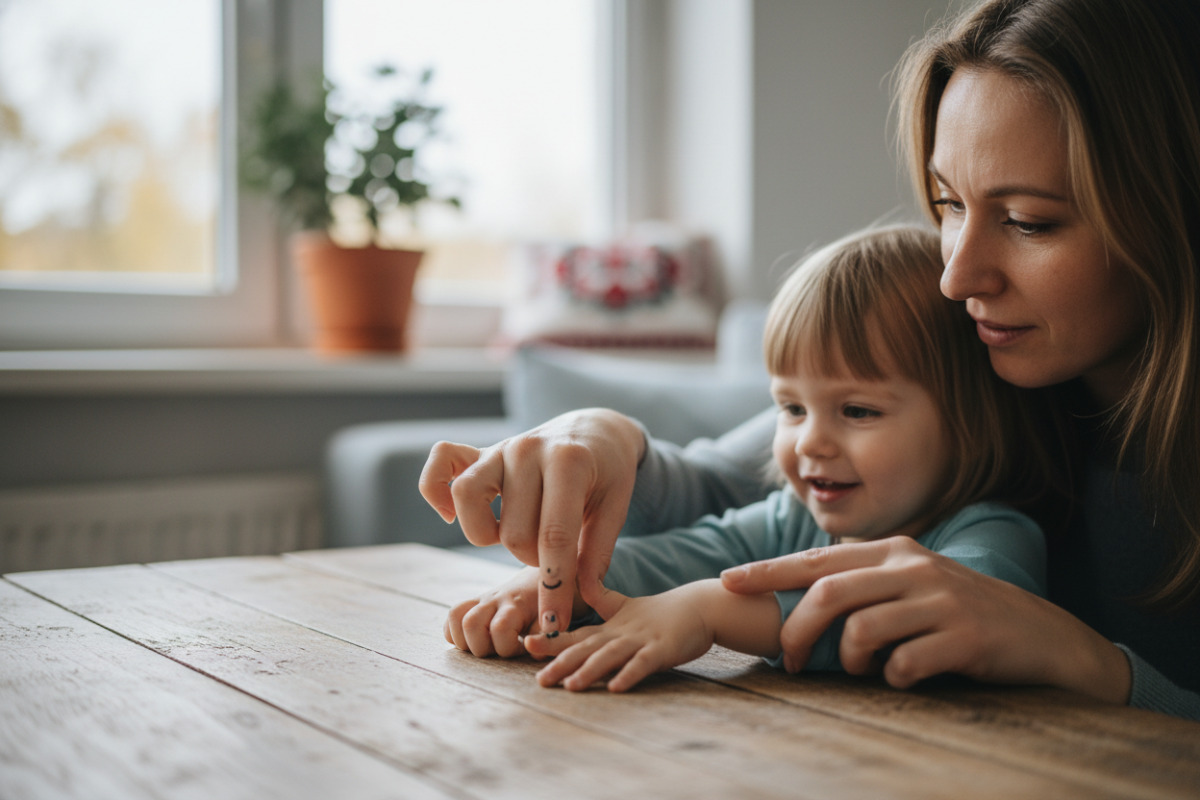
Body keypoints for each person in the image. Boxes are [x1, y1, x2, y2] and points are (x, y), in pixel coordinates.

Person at [419, 0, 1200, 718]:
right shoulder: (980, 349)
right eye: (950, 204)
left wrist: (1094, 666)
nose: (955, 275)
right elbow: (737, 499)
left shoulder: (990, 398)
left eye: (1030, 221)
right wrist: (603, 438)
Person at [454, 225, 1049, 692]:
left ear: (970, 424)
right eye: (791, 408)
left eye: (858, 411)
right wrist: (562, 587)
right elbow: (687, 554)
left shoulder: (992, 535)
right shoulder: (795, 517)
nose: (809, 442)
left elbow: (921, 626)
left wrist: (707, 610)